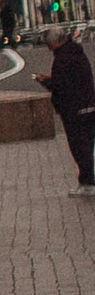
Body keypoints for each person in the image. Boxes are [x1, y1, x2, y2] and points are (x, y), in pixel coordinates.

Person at [48, 20, 95, 187]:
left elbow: (61, 86)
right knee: (88, 145)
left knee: (80, 147)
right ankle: (88, 180)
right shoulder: (77, 53)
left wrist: (48, 84)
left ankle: (88, 183)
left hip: (74, 110)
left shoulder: (62, 59)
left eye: (49, 44)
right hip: (89, 104)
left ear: (56, 42)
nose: (49, 48)